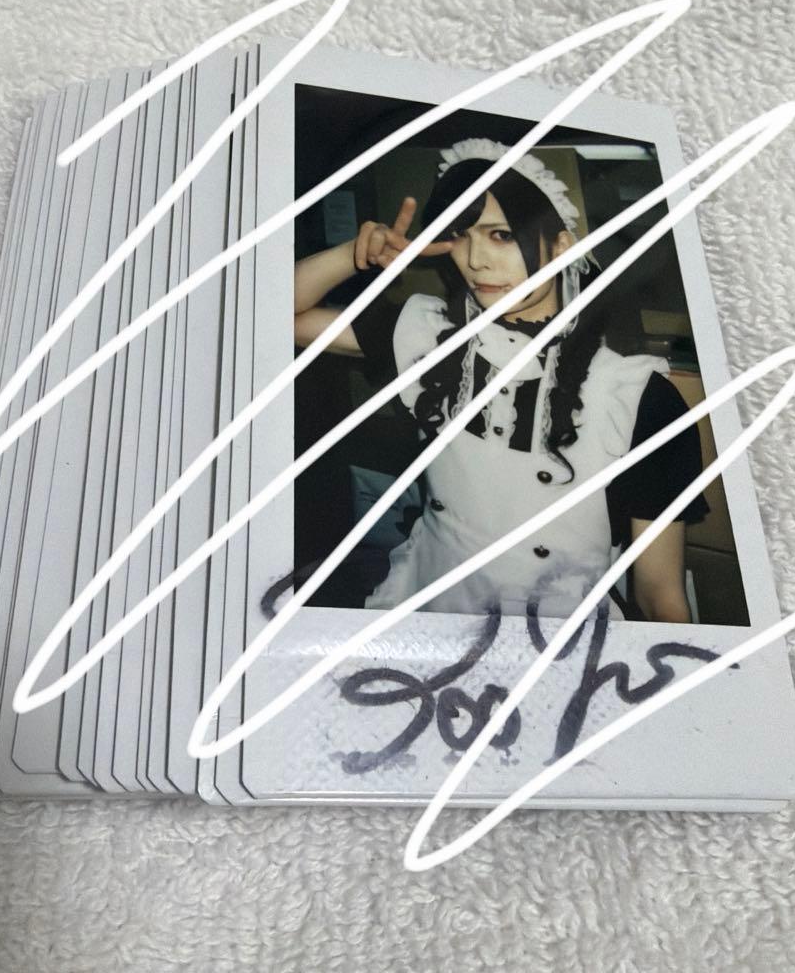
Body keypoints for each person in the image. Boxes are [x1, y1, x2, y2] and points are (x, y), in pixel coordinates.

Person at [293, 138, 710, 623]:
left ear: (562, 246)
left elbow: (659, 595)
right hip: (426, 605)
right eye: (460, 235)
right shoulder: (428, 335)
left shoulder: (636, 396)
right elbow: (279, 315)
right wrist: (353, 254)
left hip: (552, 631)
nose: (475, 260)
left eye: (502, 235)